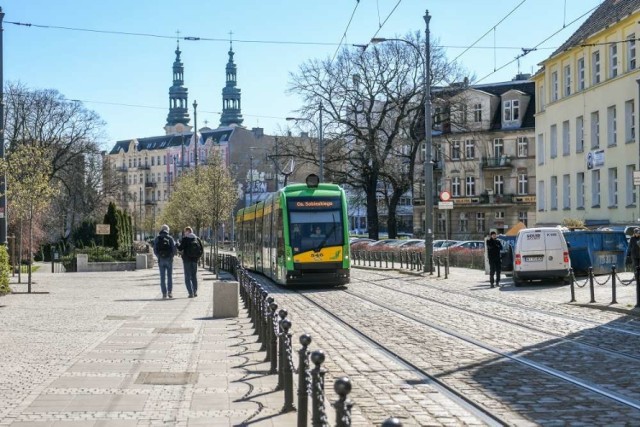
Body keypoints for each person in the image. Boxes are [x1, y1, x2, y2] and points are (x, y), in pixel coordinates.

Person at [177, 226, 204, 298]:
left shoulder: (185, 239)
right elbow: (201, 250)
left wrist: (177, 244)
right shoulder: (197, 239)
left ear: (188, 232)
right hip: (194, 261)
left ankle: (190, 292)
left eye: (185, 231)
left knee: (187, 277)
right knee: (194, 276)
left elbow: (180, 248)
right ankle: (195, 292)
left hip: (187, 260)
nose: (184, 233)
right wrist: (197, 258)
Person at [153, 224, 177, 299]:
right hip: (169, 260)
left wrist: (159, 257)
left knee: (162, 277)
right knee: (169, 277)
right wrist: (171, 257)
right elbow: (174, 249)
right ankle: (170, 292)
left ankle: (164, 293)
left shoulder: (157, 238)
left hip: (161, 260)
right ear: (168, 230)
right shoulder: (170, 238)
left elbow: (155, 249)